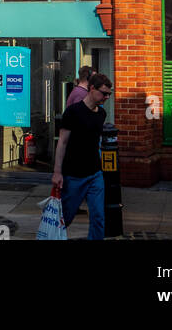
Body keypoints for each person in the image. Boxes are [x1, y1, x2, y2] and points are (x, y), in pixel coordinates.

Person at [51, 72, 113, 240]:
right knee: (66, 217)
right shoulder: (73, 112)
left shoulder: (101, 114)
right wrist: (57, 172)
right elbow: (62, 142)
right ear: (92, 88)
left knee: (99, 217)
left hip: (95, 174)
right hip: (74, 175)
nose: (106, 97)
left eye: (109, 94)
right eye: (104, 93)